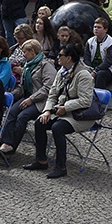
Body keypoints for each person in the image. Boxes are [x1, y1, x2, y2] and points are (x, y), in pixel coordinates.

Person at [23, 43, 94, 179]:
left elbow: (86, 100)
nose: (57, 57)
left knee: (57, 128)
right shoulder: (61, 71)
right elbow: (52, 93)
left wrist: (65, 107)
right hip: (61, 111)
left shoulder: (83, 75)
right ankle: (41, 160)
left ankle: (61, 166)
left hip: (79, 115)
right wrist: (47, 111)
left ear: (69, 58)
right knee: (40, 122)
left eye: (60, 55)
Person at [0, 39, 56, 155]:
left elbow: (48, 88)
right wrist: (13, 94)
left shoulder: (46, 65)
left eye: (25, 52)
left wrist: (32, 99)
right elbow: (22, 86)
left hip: (42, 101)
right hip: (27, 97)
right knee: (11, 112)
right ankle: (6, 143)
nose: (23, 55)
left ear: (32, 51)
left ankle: (11, 148)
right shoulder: (28, 65)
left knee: (22, 116)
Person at [84, 18, 112, 89]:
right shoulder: (90, 41)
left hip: (108, 70)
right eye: (95, 27)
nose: (96, 29)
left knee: (100, 75)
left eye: (99, 27)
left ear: (105, 30)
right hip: (92, 68)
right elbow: (86, 57)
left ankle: (98, 96)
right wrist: (89, 68)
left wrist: (95, 71)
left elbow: (108, 61)